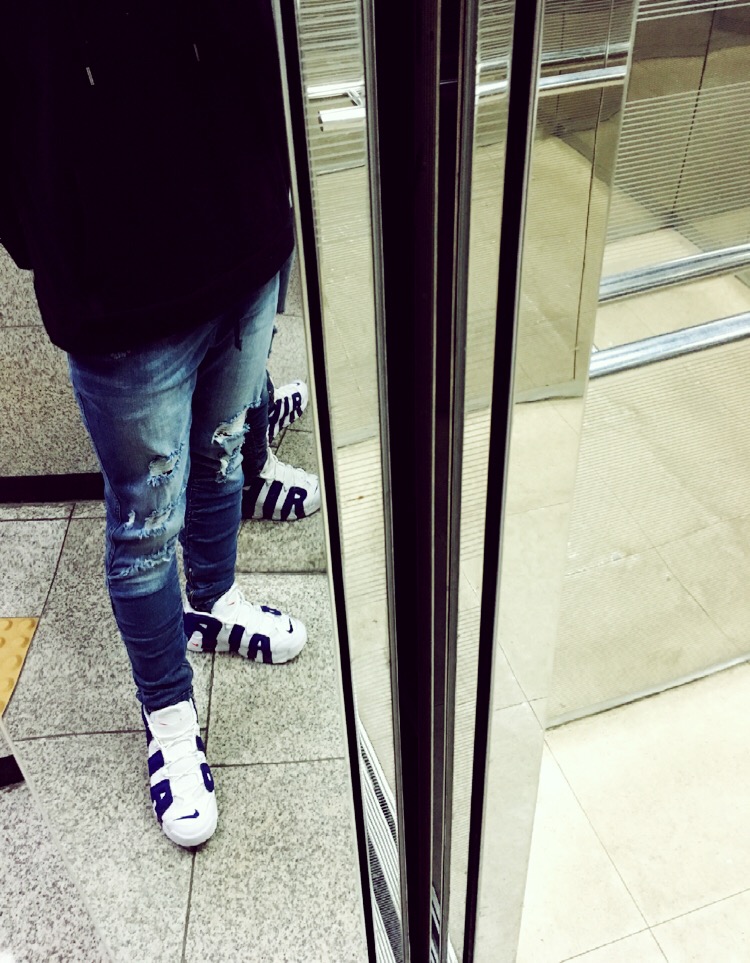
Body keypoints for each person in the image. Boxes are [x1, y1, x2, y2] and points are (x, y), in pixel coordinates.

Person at [0, 3, 318, 847]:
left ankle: (213, 600)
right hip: (121, 298)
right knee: (144, 526)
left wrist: (273, 188)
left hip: (246, 241)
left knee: (223, 454)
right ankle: (170, 718)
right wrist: (60, 245)